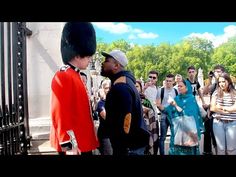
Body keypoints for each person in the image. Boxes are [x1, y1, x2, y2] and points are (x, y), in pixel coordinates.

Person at [50, 22, 99, 155]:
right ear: (77, 54)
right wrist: (69, 145)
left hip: (83, 142)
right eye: (88, 56)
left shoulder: (76, 75)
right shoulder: (63, 75)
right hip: (74, 146)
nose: (90, 60)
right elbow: (60, 113)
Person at [101, 49, 150, 155]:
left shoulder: (121, 86)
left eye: (106, 60)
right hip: (131, 146)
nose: (102, 63)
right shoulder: (123, 82)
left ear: (116, 65)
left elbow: (126, 118)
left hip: (129, 148)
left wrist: (122, 147)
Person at [156, 79, 204, 155]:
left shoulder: (191, 99)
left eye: (181, 86)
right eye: (178, 86)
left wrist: (175, 105)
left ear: (187, 88)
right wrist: (159, 106)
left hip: (189, 133)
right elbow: (168, 110)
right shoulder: (177, 98)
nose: (179, 88)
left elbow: (189, 115)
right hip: (176, 131)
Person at [210, 72, 236, 155]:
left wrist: (221, 108)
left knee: (231, 150)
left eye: (223, 81)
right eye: (220, 82)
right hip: (218, 123)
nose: (221, 84)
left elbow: (235, 108)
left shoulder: (234, 93)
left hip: (232, 123)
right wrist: (228, 110)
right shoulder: (216, 93)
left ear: (229, 81)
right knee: (220, 150)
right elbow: (212, 108)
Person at [203, 64, 226, 155]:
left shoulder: (227, 85)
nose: (216, 73)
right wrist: (209, 79)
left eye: (219, 71)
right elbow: (204, 92)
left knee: (226, 142)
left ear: (223, 73)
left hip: (224, 115)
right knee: (216, 142)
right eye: (215, 72)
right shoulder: (214, 85)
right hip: (213, 115)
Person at [156, 74, 178, 155]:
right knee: (162, 138)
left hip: (173, 115)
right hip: (164, 115)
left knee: (174, 137)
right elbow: (158, 104)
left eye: (170, 81)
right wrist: (166, 110)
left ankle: (172, 153)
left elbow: (178, 103)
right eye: (167, 81)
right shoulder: (160, 90)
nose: (168, 82)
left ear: (173, 82)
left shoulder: (176, 91)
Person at [135, 80, 158, 155]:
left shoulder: (145, 100)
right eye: (134, 86)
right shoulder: (129, 99)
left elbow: (152, 113)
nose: (135, 88)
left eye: (137, 86)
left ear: (141, 88)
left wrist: (148, 111)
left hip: (145, 130)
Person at [96, 79, 113, 155]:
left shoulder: (116, 101)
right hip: (105, 135)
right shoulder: (101, 103)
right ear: (103, 89)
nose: (108, 90)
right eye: (106, 88)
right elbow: (106, 117)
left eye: (110, 87)